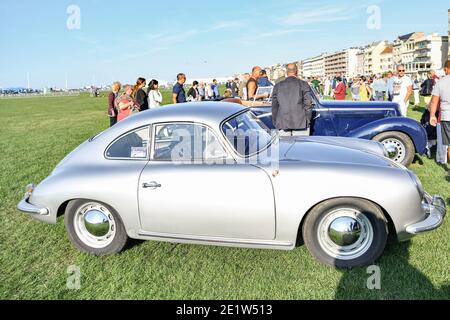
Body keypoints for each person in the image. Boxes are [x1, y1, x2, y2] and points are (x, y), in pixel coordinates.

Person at [272, 63, 313, 136]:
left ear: (286, 72)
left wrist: (276, 121)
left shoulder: (278, 85)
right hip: (301, 122)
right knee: (300, 147)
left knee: (285, 147)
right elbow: (308, 104)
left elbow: (274, 106)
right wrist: (307, 119)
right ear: (296, 72)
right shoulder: (303, 84)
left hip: (283, 122)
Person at [430, 60, 450, 173]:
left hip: (447, 115)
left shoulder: (441, 82)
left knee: (449, 143)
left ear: (446, 69)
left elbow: (434, 102)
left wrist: (432, 115)